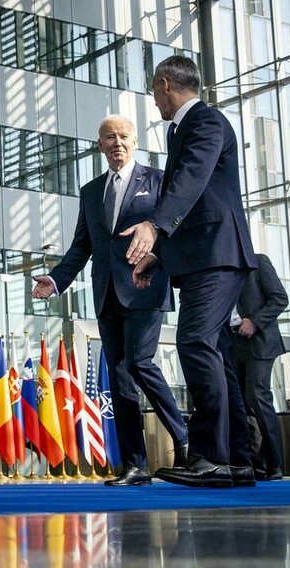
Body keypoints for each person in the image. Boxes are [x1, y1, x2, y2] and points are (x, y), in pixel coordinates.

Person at [121, 55, 257, 488]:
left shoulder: (205, 121)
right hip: (202, 256)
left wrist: (154, 226)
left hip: (218, 255)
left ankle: (210, 457)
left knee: (195, 342)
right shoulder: (182, 128)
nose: (155, 100)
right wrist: (158, 256)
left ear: (164, 85)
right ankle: (236, 459)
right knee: (212, 351)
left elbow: (192, 181)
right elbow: (195, 198)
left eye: (153, 91)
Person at [31, 114, 188, 486]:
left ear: (135, 142)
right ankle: (135, 465)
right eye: (109, 137)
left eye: (123, 136)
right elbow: (82, 246)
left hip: (146, 286)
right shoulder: (91, 191)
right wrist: (55, 280)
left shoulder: (158, 180)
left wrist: (160, 260)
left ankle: (183, 436)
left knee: (139, 363)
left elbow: (171, 229)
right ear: (99, 144)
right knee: (119, 378)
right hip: (107, 293)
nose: (116, 142)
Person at [229, 253, 289, 481]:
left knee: (257, 396)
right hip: (232, 343)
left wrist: (254, 321)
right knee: (241, 405)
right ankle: (254, 463)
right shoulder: (221, 270)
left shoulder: (259, 261)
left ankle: (275, 462)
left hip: (259, 341)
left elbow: (280, 299)